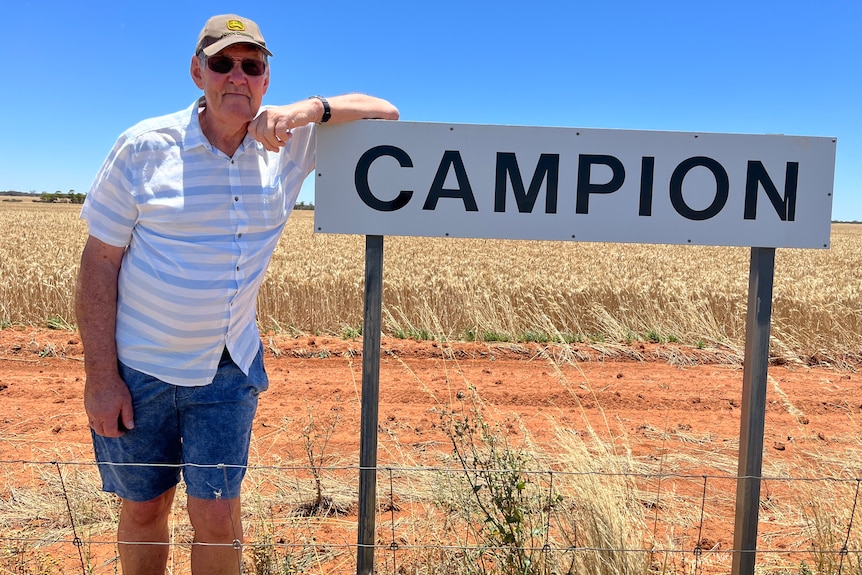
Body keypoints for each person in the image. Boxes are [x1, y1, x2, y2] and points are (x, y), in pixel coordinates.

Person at [75, 13, 398, 575]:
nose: (236, 76)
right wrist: (101, 378)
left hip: (228, 370)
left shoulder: (288, 147)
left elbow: (385, 112)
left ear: (266, 80)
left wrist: (308, 110)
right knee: (144, 508)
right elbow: (99, 264)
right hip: (138, 370)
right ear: (197, 71)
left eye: (252, 65)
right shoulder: (143, 147)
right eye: (222, 63)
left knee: (219, 517)